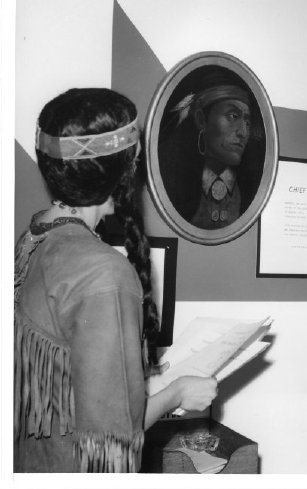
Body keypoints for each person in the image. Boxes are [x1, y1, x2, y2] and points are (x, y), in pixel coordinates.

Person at [14, 88, 218, 472]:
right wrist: (178, 392)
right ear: (126, 169)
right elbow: (112, 438)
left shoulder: (34, 236)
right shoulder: (103, 272)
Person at [161, 79, 262, 229]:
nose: (243, 132)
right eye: (233, 116)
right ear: (201, 120)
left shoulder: (251, 191)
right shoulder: (174, 184)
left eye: (247, 122)